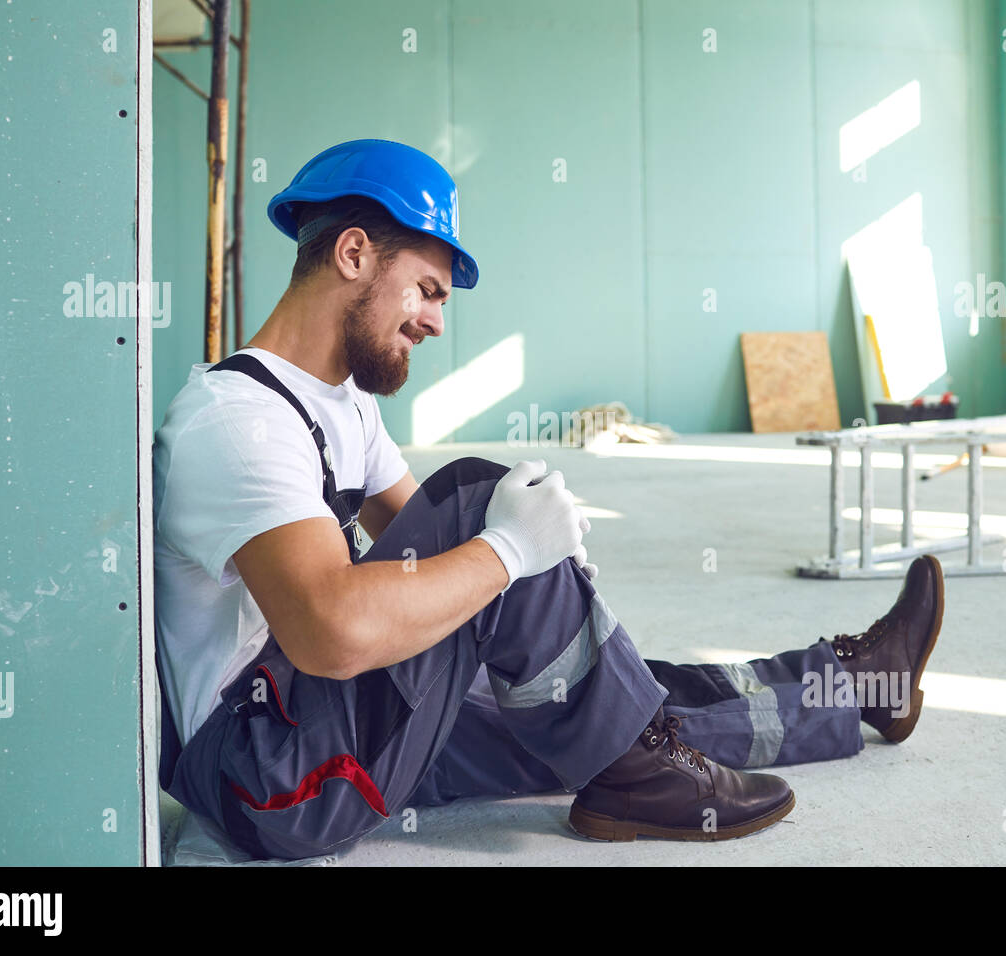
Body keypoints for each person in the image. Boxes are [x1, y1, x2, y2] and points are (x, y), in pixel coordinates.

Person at [152, 139, 945, 860]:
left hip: (323, 719)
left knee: (586, 714)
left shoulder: (343, 402)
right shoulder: (237, 421)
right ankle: (636, 771)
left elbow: (416, 536)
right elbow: (333, 629)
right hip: (267, 769)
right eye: (426, 290)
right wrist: (512, 552)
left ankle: (856, 684)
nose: (432, 320)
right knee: (482, 506)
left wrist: (547, 569)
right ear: (354, 253)